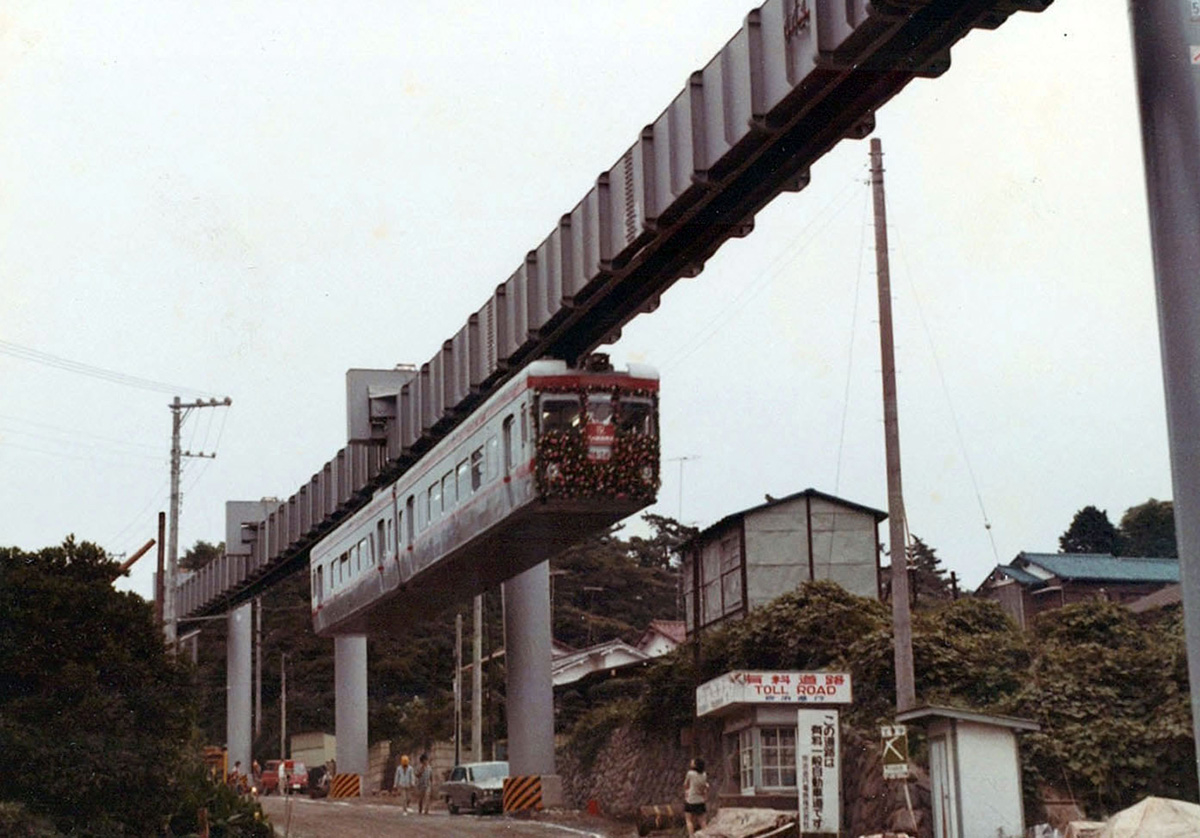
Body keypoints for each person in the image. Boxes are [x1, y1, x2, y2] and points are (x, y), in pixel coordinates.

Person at [682, 757, 709, 837]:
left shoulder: (690, 773)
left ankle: (691, 836)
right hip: (700, 800)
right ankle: (706, 836)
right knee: (703, 822)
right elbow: (705, 786)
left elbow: (685, 784)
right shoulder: (704, 774)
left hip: (691, 799)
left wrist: (686, 791)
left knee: (689, 820)